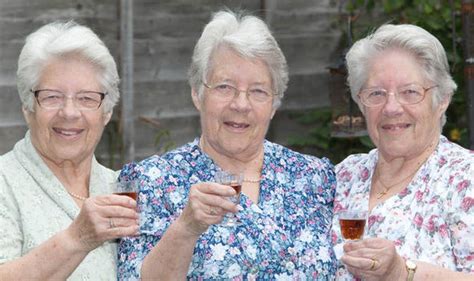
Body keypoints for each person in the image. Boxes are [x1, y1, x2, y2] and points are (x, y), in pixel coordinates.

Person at [117, 10, 336, 280]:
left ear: (274, 104)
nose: (240, 104)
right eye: (224, 87)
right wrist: (185, 229)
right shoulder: (151, 183)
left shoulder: (314, 177)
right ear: (197, 93)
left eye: (257, 91)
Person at [332, 23, 474, 281]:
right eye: (376, 93)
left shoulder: (465, 179)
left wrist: (403, 272)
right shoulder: (344, 176)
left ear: (441, 100)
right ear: (361, 103)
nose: (391, 108)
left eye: (410, 92)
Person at [0, 21, 139, 280]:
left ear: (106, 112)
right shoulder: (4, 182)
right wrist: (76, 239)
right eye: (52, 97)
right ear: (28, 108)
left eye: (87, 98)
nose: (70, 113)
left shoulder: (120, 186)